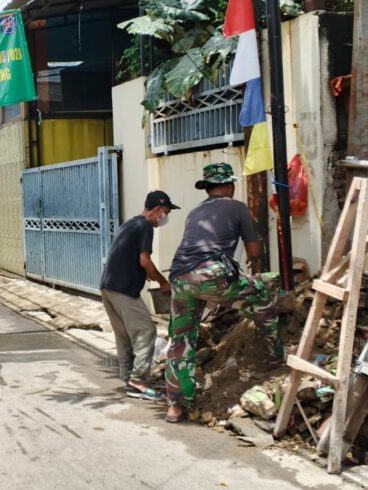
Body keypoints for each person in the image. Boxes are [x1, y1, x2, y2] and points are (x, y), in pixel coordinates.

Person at [164, 163, 284, 423]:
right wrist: (256, 267)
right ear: (229, 185)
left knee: (181, 340)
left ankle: (175, 405)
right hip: (211, 276)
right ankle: (275, 358)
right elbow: (253, 250)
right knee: (262, 294)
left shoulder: (195, 212)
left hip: (180, 277)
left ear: (207, 188)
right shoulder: (237, 207)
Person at [100, 190, 180, 400]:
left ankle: (129, 378)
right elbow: (145, 260)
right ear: (157, 209)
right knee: (146, 331)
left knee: (124, 335)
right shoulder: (145, 226)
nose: (166, 216)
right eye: (166, 211)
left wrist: (147, 275)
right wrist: (163, 282)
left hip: (107, 287)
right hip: (123, 289)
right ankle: (138, 381)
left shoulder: (129, 224)